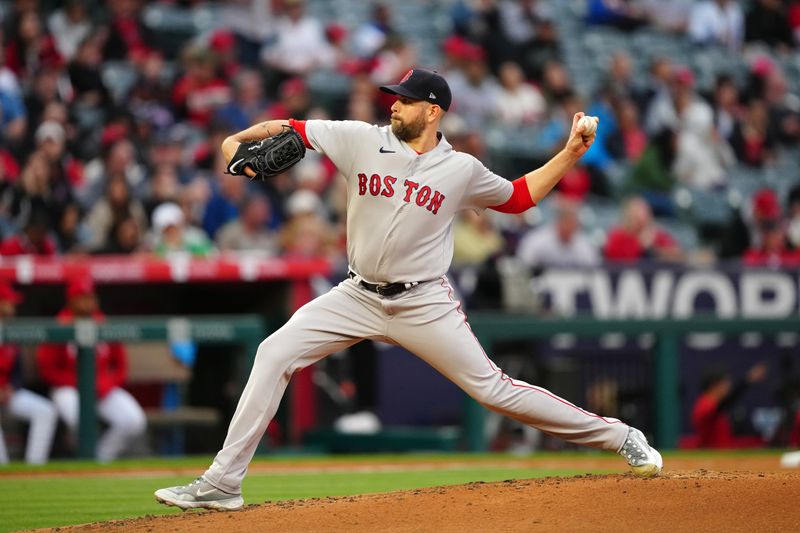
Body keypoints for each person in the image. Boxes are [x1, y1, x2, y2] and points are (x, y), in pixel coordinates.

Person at [155, 68, 662, 511]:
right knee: (273, 353)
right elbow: (291, 129)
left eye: (405, 98)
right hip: (356, 296)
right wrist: (233, 143)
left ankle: (622, 436)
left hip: (423, 301)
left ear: (433, 111)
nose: (393, 103)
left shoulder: (460, 170)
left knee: (494, 390)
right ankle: (222, 483)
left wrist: (571, 152)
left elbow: (520, 197)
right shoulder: (360, 137)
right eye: (393, 97)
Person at [35, 276, 146, 462]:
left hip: (101, 387)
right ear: (72, 300)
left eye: (90, 297)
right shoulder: (60, 325)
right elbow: (47, 370)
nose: (88, 302)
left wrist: (106, 383)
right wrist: (81, 384)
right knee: (79, 418)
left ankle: (102, 457)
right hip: (68, 388)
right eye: (82, 297)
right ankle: (84, 457)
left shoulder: (103, 323)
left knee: (134, 421)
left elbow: (120, 366)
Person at [0, 280, 58, 465]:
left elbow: (17, 371)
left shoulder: (10, 331)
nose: (12, 307)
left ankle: (34, 466)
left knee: (45, 411)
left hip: (7, 393)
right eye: (8, 302)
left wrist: (12, 387)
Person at [692, 363, 767, 448]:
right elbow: (725, 403)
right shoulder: (704, 404)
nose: (728, 386)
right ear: (714, 385)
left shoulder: (712, 403)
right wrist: (747, 381)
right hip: (711, 455)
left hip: (723, 454)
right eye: (725, 383)